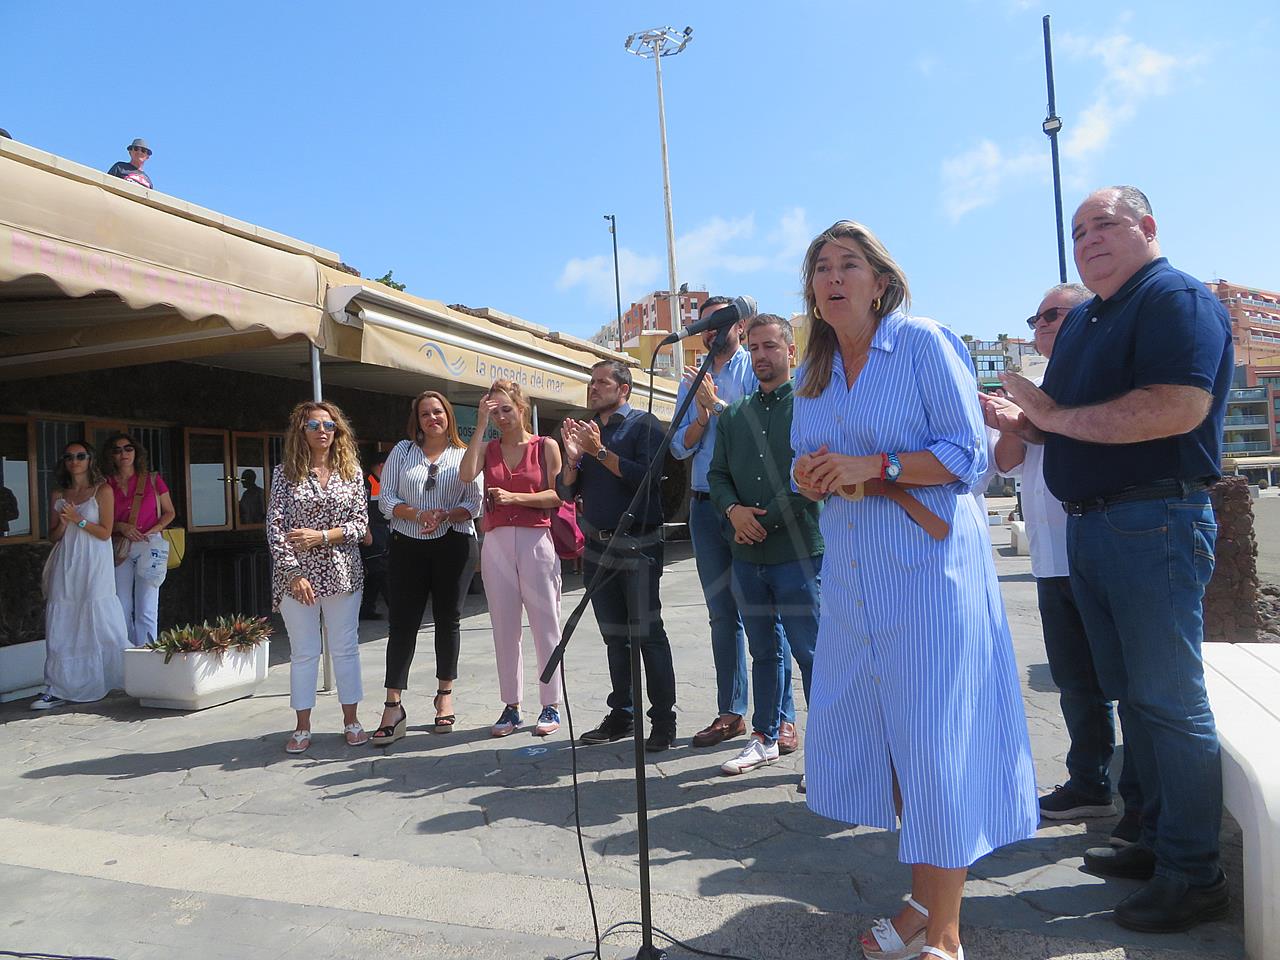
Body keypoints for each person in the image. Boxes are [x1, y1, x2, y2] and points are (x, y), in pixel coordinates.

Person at [791, 220, 1037, 960]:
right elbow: (808, 462)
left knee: (935, 745)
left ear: (881, 282)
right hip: (854, 578)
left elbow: (969, 455)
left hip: (931, 574)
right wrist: (810, 475)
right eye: (821, 267)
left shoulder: (924, 342)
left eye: (849, 264)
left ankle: (947, 932)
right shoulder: (813, 372)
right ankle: (922, 904)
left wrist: (877, 467)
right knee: (894, 747)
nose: (833, 277)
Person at [990, 186, 1233, 933]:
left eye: (1105, 224)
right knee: (1133, 697)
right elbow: (1056, 426)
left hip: (1153, 519)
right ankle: (1153, 838)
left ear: (1147, 227)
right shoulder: (1092, 318)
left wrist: (1051, 415)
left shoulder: (1173, 299)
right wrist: (1023, 419)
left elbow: (1178, 406)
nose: (1088, 239)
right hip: (1094, 526)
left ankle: (1194, 874)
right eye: (1078, 231)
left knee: (1169, 702)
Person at [987, 284, 1144, 842]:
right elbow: (1007, 462)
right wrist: (1012, 421)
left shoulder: (1100, 378)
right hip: (1051, 555)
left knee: (1126, 680)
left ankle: (1142, 801)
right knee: (1076, 680)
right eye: (1037, 319)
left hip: (1101, 542)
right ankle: (1090, 784)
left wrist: (1036, 416)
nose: (1043, 326)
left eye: (1054, 315)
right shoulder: (1037, 385)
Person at [707, 315, 822, 781]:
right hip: (747, 556)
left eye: (770, 346)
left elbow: (810, 476)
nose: (761, 356)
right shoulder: (735, 414)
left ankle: (828, 748)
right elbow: (717, 474)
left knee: (811, 652)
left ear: (790, 351)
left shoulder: (811, 406)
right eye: (753, 348)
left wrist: (760, 521)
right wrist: (733, 511)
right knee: (764, 651)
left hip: (798, 552)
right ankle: (765, 736)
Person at [559, 360, 677, 752]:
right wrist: (573, 460)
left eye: (601, 382)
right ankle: (622, 715)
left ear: (623, 389)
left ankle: (663, 721)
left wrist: (599, 452)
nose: (593, 388)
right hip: (598, 548)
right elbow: (565, 493)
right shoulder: (586, 430)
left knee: (648, 635)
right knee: (615, 638)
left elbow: (647, 478)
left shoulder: (644, 425)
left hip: (638, 544)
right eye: (590, 381)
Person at [670, 296, 762, 752]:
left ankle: (777, 719)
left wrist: (717, 404)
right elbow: (678, 447)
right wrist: (702, 415)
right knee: (722, 615)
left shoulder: (755, 367)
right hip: (705, 507)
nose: (711, 329)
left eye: (721, 321)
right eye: (705, 323)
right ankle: (731, 713)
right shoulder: (692, 378)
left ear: (740, 326)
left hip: (748, 505)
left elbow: (760, 431)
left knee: (763, 613)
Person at [459, 379, 565, 738]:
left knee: (546, 624)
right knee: (504, 627)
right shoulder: (488, 448)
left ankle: (551, 702)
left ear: (521, 409)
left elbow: (557, 496)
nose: (501, 417)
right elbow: (465, 475)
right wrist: (479, 426)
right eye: (494, 412)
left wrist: (515, 498)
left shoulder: (545, 445)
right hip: (497, 541)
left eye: (506, 409)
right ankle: (511, 705)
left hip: (536, 538)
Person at [376, 391, 482, 744]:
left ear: (448, 416)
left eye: (438, 411)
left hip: (454, 543)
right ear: (417, 420)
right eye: (425, 413)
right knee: (402, 623)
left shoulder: (464, 454)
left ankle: (444, 695)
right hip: (407, 543)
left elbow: (475, 503)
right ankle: (393, 705)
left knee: (448, 620)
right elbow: (386, 500)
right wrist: (419, 514)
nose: (432, 418)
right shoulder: (402, 452)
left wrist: (445, 515)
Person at [266, 402, 369, 753]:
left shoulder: (351, 472)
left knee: (345, 649)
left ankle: (352, 721)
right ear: (301, 431)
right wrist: (293, 573)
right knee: (304, 652)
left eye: (328, 425)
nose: (322, 431)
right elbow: (275, 528)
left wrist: (321, 536)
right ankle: (302, 726)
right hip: (297, 578)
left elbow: (360, 525)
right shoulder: (284, 474)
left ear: (338, 431)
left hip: (343, 573)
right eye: (313, 425)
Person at [31, 441, 129, 709]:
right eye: (69, 457)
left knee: (97, 615)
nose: (74, 461)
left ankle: (112, 675)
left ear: (89, 460)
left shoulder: (102, 490)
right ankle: (58, 685)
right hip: (67, 561)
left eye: (80, 456)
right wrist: (64, 524)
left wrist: (78, 519)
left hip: (94, 561)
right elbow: (53, 537)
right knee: (64, 617)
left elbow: (105, 532)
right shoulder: (59, 493)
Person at [103, 433, 176, 648]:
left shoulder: (152, 479)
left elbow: (170, 512)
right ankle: (126, 652)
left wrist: (156, 529)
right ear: (111, 455)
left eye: (128, 448)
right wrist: (120, 526)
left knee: (147, 606)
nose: (123, 453)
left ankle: (146, 653)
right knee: (121, 605)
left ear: (136, 452)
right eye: (117, 450)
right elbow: (99, 519)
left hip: (149, 545)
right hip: (120, 546)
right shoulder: (105, 484)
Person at [358, 452, 390, 620]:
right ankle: (395, 608)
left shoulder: (381, 482)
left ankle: (367, 608)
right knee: (380, 571)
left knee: (377, 573)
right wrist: (366, 531)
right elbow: (360, 510)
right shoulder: (366, 482)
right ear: (382, 466)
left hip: (383, 532)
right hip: (372, 533)